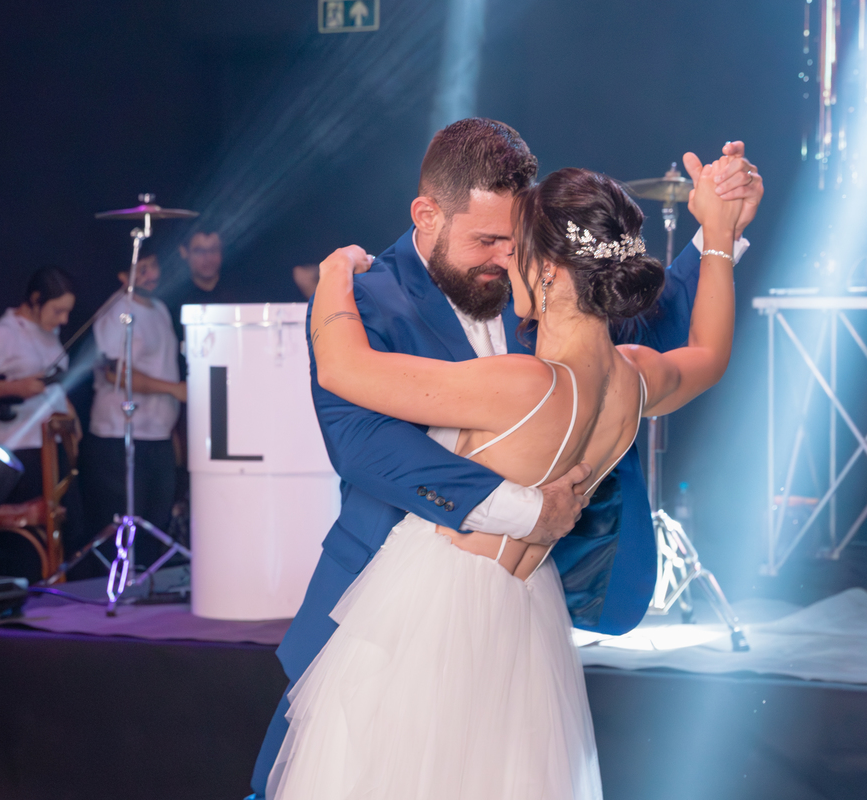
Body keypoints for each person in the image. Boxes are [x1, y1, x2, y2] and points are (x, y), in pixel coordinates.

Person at [247, 118, 762, 798]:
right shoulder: (632, 377)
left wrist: (331, 273)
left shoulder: (525, 379)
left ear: (549, 264)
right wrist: (718, 236)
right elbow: (361, 441)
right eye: (486, 241)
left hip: (445, 609)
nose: (503, 257)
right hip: (492, 607)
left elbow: (343, 369)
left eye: (514, 244)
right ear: (426, 215)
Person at [0, 266, 84, 578]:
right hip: (21, 448)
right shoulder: (2, 333)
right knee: (30, 543)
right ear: (36, 300)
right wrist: (15, 387)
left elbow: (54, 386)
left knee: (68, 532)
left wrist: (72, 418)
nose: (63, 320)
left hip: (54, 447)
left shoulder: (49, 333)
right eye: (58, 310)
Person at [80, 249, 185, 558]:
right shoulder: (117, 312)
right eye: (142, 270)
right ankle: (118, 589)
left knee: (156, 524)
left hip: (158, 435)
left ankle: (146, 589)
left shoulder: (160, 308)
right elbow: (116, 372)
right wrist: (174, 390)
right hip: (120, 435)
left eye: (154, 266)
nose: (152, 275)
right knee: (123, 531)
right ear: (123, 277)